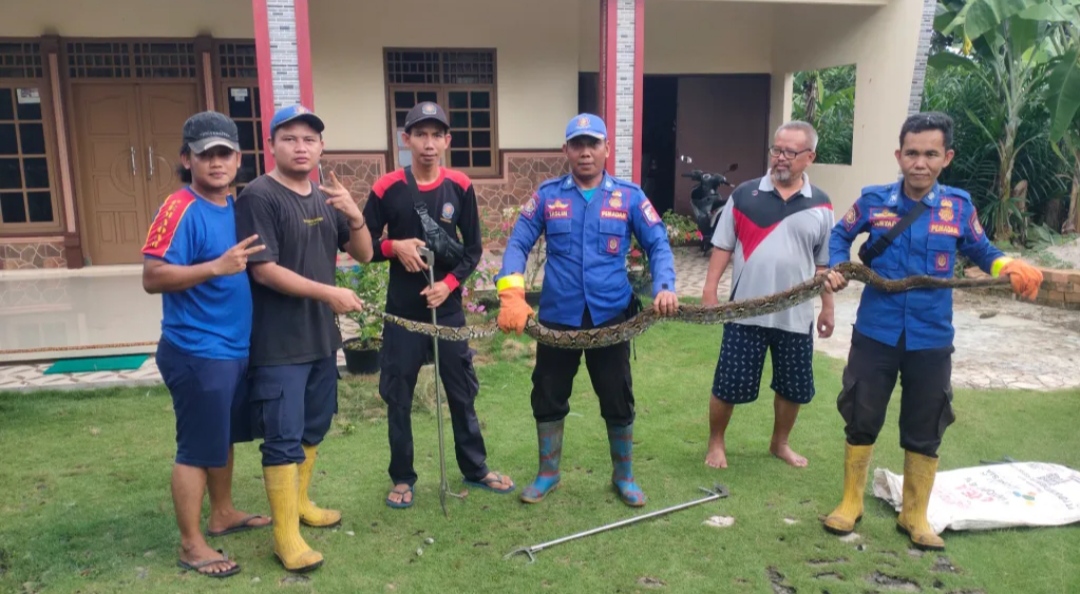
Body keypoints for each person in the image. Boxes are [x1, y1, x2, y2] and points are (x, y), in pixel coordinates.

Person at [822, 111, 1043, 550]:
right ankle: (851, 502)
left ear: (946, 157)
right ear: (898, 155)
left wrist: (1008, 265)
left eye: (930, 154)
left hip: (931, 337)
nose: (919, 163)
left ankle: (915, 514)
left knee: (926, 423)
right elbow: (839, 234)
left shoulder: (958, 207)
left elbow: (982, 249)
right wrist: (834, 267)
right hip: (876, 331)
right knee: (862, 414)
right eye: (911, 153)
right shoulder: (873, 201)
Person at [495, 113, 679, 507]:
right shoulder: (547, 196)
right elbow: (518, 243)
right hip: (557, 319)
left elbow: (658, 243)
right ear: (566, 150)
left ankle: (624, 476)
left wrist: (664, 287)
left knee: (617, 395)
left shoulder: (629, 196)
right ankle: (548, 473)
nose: (585, 152)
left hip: (610, 317)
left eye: (593, 144)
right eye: (577, 144)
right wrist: (512, 293)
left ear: (607, 149)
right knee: (547, 393)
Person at [234, 104, 373, 573]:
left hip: (320, 339)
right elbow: (265, 270)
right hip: (278, 344)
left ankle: (302, 503)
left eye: (309, 139)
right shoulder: (258, 196)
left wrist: (354, 216)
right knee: (283, 436)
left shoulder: (323, 196)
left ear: (320, 147)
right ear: (271, 144)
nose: (300, 147)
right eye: (290, 138)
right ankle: (284, 535)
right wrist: (330, 292)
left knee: (314, 426)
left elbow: (365, 254)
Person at [359, 101, 515, 508]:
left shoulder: (460, 187)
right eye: (419, 135)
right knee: (399, 396)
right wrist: (394, 246)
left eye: (436, 135)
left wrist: (447, 285)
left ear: (447, 141)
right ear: (405, 139)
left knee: (461, 390)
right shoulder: (387, 187)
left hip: (445, 309)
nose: (428, 144)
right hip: (402, 311)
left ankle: (475, 468)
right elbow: (362, 246)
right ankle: (403, 477)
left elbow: (475, 249)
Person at [141, 110, 272, 579]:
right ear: (187, 158)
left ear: (238, 158)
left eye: (225, 153)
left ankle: (223, 513)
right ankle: (191, 544)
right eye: (206, 155)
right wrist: (214, 268)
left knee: (223, 436)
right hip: (197, 350)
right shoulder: (179, 208)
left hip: (233, 348)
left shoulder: (234, 205)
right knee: (197, 447)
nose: (216, 163)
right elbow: (152, 277)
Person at [701, 121, 839, 470]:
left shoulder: (821, 205)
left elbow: (824, 265)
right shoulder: (745, 195)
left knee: (793, 387)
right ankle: (716, 443)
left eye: (790, 152)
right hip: (744, 312)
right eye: (776, 150)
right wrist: (709, 290)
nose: (780, 158)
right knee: (727, 383)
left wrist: (827, 308)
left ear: (810, 157)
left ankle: (780, 443)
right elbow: (721, 245)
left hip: (795, 316)